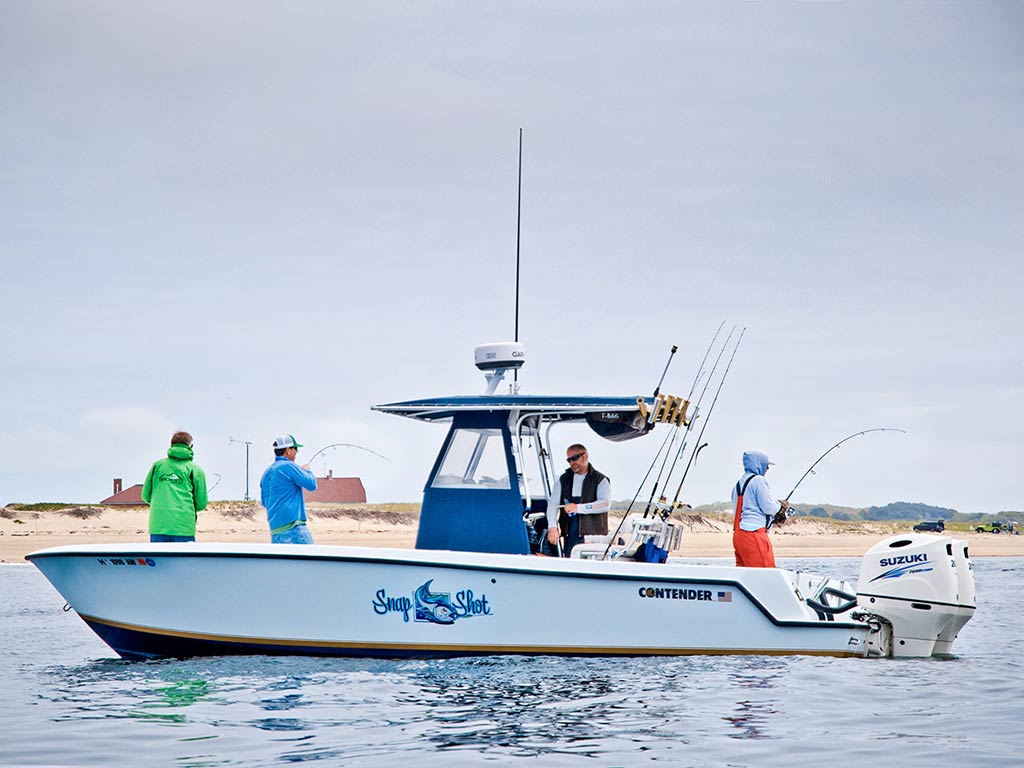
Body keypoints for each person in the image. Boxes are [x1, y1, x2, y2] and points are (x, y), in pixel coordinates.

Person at [142, 431, 208, 543]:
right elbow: (201, 503)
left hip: (158, 525)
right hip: (184, 526)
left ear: (171, 445)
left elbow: (145, 495)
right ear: (191, 446)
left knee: (161, 560)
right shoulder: (195, 469)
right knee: (185, 560)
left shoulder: (157, 466)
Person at [546, 444, 611, 556]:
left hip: (592, 537)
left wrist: (578, 508)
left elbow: (605, 504)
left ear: (585, 456)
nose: (572, 463)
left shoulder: (601, 480)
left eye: (575, 458)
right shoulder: (564, 479)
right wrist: (552, 526)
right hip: (569, 535)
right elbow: (553, 504)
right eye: (569, 460)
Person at [731, 450, 789, 568]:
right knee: (765, 574)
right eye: (766, 465)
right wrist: (781, 506)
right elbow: (768, 507)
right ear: (758, 464)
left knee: (745, 574)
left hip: (738, 536)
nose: (767, 469)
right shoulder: (758, 480)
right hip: (754, 534)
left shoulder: (737, 485)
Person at [260, 434, 318, 544]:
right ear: (288, 450)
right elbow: (311, 485)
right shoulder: (289, 466)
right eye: (295, 448)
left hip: (275, 533)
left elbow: (265, 502)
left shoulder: (266, 473)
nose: (297, 452)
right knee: (312, 560)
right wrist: (307, 470)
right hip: (295, 529)